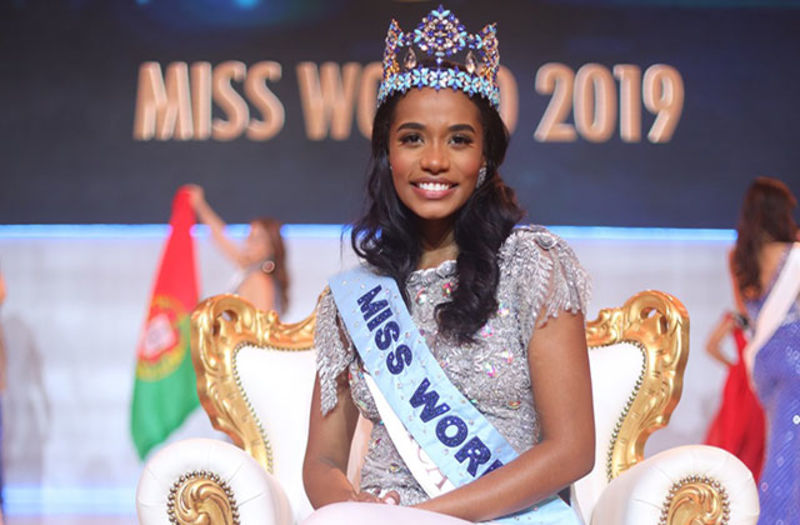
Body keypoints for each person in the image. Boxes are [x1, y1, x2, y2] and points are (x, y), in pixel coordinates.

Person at [302, 6, 594, 524]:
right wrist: (353, 508)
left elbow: (572, 450)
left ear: (485, 156)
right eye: (412, 138)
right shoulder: (353, 299)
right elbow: (323, 460)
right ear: (386, 153)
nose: (434, 160)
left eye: (459, 139)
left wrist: (428, 517)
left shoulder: (534, 267)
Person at [729, 177, 799, 524]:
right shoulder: (796, 254)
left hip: (764, 363)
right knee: (788, 458)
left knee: (781, 448)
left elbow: (747, 312)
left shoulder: (739, 257)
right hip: (796, 359)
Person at [186, 185, 289, 314]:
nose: (250, 243)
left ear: (271, 248)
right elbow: (223, 240)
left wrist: (200, 205)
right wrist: (200, 205)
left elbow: (260, 332)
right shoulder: (252, 272)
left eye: (257, 239)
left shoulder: (258, 279)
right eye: (249, 236)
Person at [703, 311, 765, 480]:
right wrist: (735, 367)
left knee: (758, 432)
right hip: (741, 383)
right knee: (734, 431)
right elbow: (711, 346)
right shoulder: (735, 319)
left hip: (759, 380)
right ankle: (727, 481)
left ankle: (754, 481)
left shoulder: (768, 313)